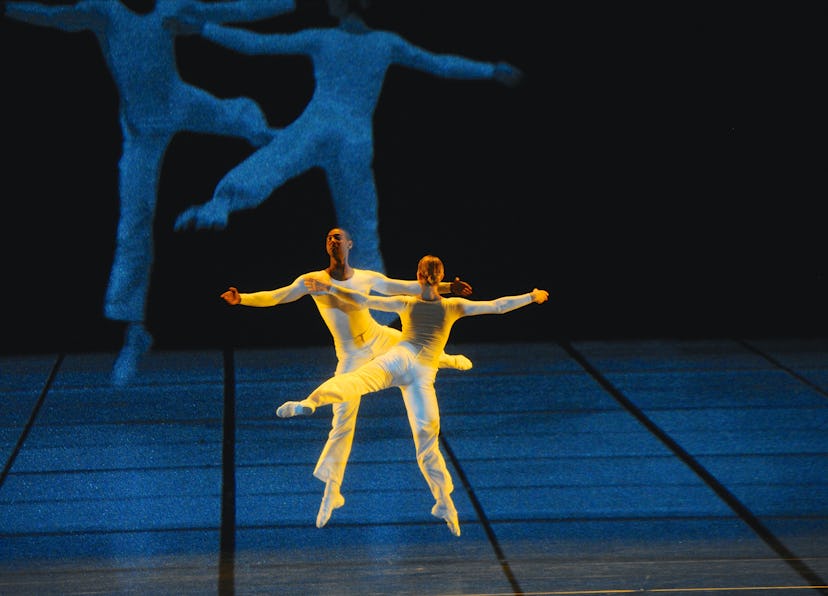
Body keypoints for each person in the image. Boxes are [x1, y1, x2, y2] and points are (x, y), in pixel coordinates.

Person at [4, 0, 295, 386]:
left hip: (177, 102)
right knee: (134, 226)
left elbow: (230, 10)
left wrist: (288, 4)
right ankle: (134, 333)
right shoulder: (105, 11)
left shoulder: (169, 7)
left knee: (239, 119)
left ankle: (278, 138)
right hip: (142, 129)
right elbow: (55, 16)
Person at [172, 0, 524, 279]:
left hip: (321, 124)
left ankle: (219, 206)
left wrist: (204, 28)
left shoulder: (325, 38)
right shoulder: (384, 43)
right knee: (363, 234)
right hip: (355, 139)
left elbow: (258, 45)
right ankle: (383, 325)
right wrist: (491, 70)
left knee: (273, 162)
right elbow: (440, 64)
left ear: (341, 5)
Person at [277, 255, 549, 536]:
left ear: (418, 276)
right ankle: (444, 502)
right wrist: (532, 296)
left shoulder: (406, 302)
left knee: (354, 381)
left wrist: (331, 289)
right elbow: (498, 306)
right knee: (427, 441)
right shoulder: (453, 306)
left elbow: (363, 300)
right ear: (440, 276)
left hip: (398, 359)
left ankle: (309, 402)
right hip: (422, 376)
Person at [222, 228, 474, 528]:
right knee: (342, 421)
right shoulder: (313, 281)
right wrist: (243, 299)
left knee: (418, 350)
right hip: (351, 355)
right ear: (326, 246)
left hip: (377, 337)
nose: (333, 240)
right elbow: (276, 297)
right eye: (329, 237)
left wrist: (447, 287)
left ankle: (451, 359)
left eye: (339, 237)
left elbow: (405, 287)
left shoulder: (366, 278)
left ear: (349, 245)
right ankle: (332, 490)